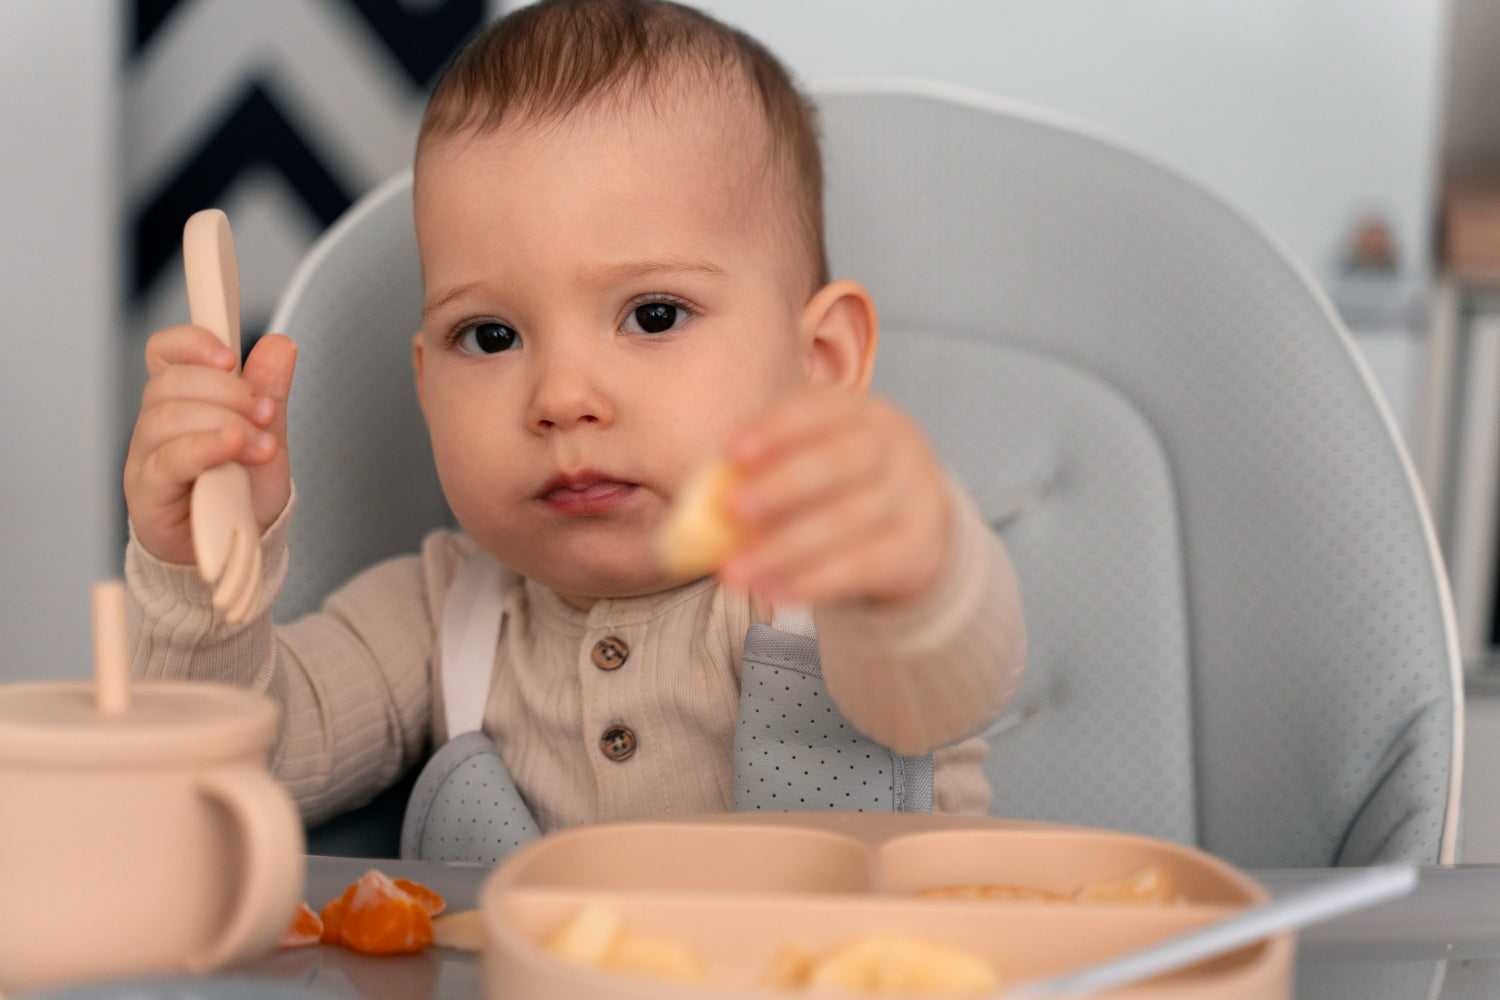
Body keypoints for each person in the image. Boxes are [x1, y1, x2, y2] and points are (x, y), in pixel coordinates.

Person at [123, 0, 1026, 854]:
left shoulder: (821, 578)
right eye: (491, 336)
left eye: (655, 315)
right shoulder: (445, 616)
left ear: (821, 363)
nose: (561, 396)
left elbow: (946, 680)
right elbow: (228, 771)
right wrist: (200, 578)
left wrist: (914, 561)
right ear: (428, 386)